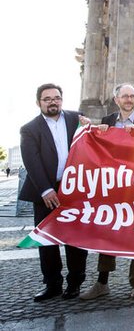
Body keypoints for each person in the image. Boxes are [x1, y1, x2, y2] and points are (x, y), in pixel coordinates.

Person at [80, 83, 134, 301]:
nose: (129, 99)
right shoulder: (107, 122)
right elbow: (98, 150)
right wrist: (98, 132)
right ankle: (102, 283)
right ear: (116, 99)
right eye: (125, 96)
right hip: (113, 187)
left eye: (132, 96)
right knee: (108, 231)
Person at [19, 83, 88, 302]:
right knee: (47, 240)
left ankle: (75, 283)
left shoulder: (77, 118)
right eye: (47, 98)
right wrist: (46, 189)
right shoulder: (29, 129)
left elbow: (95, 140)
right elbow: (32, 161)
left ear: (62, 99)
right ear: (38, 102)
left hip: (74, 189)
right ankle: (52, 284)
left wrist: (91, 125)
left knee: (75, 239)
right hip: (45, 192)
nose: (52, 102)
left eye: (56, 98)